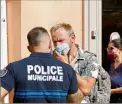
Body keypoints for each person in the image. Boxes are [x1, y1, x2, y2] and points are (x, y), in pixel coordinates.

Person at [0, 27, 83, 103]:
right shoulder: (67, 69)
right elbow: (75, 100)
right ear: (50, 45)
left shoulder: (14, 67)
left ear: (29, 48)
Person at [50, 23, 111, 103]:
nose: (57, 45)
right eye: (55, 42)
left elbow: (86, 89)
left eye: (61, 41)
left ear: (72, 38)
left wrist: (67, 67)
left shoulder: (89, 59)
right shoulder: (51, 59)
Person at [107, 39, 122, 103]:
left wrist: (111, 91)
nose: (109, 51)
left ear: (120, 49)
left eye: (111, 48)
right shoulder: (111, 65)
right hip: (112, 100)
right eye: (108, 49)